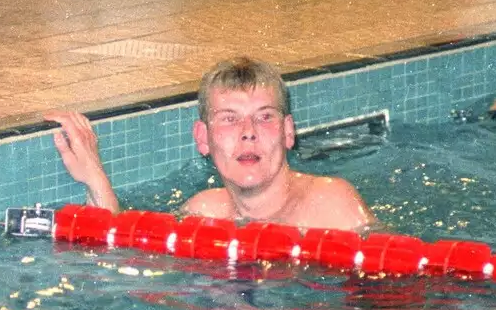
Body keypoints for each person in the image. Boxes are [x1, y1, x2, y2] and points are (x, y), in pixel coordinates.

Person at [50, 57, 374, 231]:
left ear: (288, 132)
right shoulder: (205, 212)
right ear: (203, 139)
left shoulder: (331, 204)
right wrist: (96, 180)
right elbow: (125, 258)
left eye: (264, 117)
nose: (248, 132)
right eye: (229, 119)